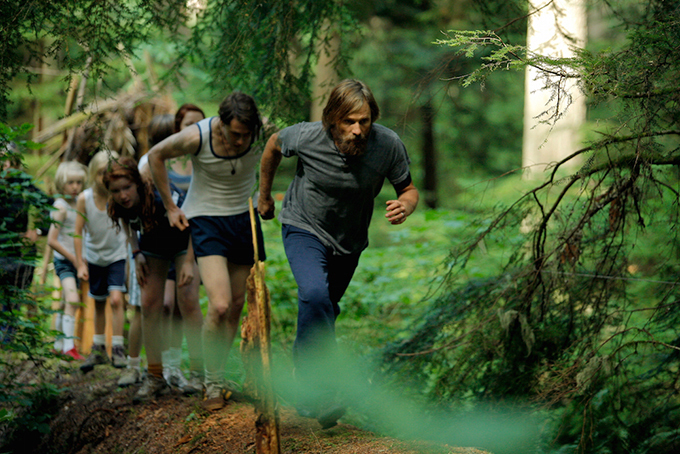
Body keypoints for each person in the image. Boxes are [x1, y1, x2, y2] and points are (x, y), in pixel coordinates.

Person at [257, 79, 420, 429]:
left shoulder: (387, 145)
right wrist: (265, 195)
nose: (357, 130)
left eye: (364, 121)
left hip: (348, 241)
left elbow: (408, 189)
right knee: (315, 295)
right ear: (332, 119)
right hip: (303, 226)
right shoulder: (306, 136)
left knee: (325, 307)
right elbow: (272, 145)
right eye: (349, 121)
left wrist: (404, 207)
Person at [148, 91, 265, 409]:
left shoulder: (263, 131)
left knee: (238, 304)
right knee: (221, 304)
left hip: (244, 220)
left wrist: (265, 193)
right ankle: (211, 383)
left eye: (247, 134)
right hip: (207, 221)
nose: (241, 141)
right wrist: (172, 207)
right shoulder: (197, 136)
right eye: (235, 133)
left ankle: (218, 373)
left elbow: (281, 148)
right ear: (221, 124)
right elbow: (155, 155)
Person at [105, 156, 204, 402]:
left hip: (184, 242)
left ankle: (200, 373)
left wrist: (190, 262)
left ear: (138, 184)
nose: (123, 195)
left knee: (188, 301)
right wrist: (135, 252)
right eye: (116, 190)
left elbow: (193, 220)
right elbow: (127, 223)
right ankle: (155, 376)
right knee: (149, 305)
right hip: (152, 244)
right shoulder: (118, 204)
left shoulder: (159, 197)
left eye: (127, 188)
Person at [74, 149, 128, 373]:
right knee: (97, 302)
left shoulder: (118, 196)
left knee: (116, 299)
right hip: (95, 257)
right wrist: (80, 263)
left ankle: (117, 348)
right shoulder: (84, 199)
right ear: (93, 174)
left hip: (117, 255)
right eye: (100, 175)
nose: (104, 181)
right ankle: (98, 349)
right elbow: (78, 232)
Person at [47, 160, 88, 359]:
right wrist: (74, 259)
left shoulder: (79, 203)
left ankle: (58, 343)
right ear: (61, 183)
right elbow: (51, 240)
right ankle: (69, 347)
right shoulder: (61, 207)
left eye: (79, 182)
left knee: (66, 302)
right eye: (70, 182)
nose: (75, 187)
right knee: (73, 299)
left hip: (77, 261)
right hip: (65, 262)